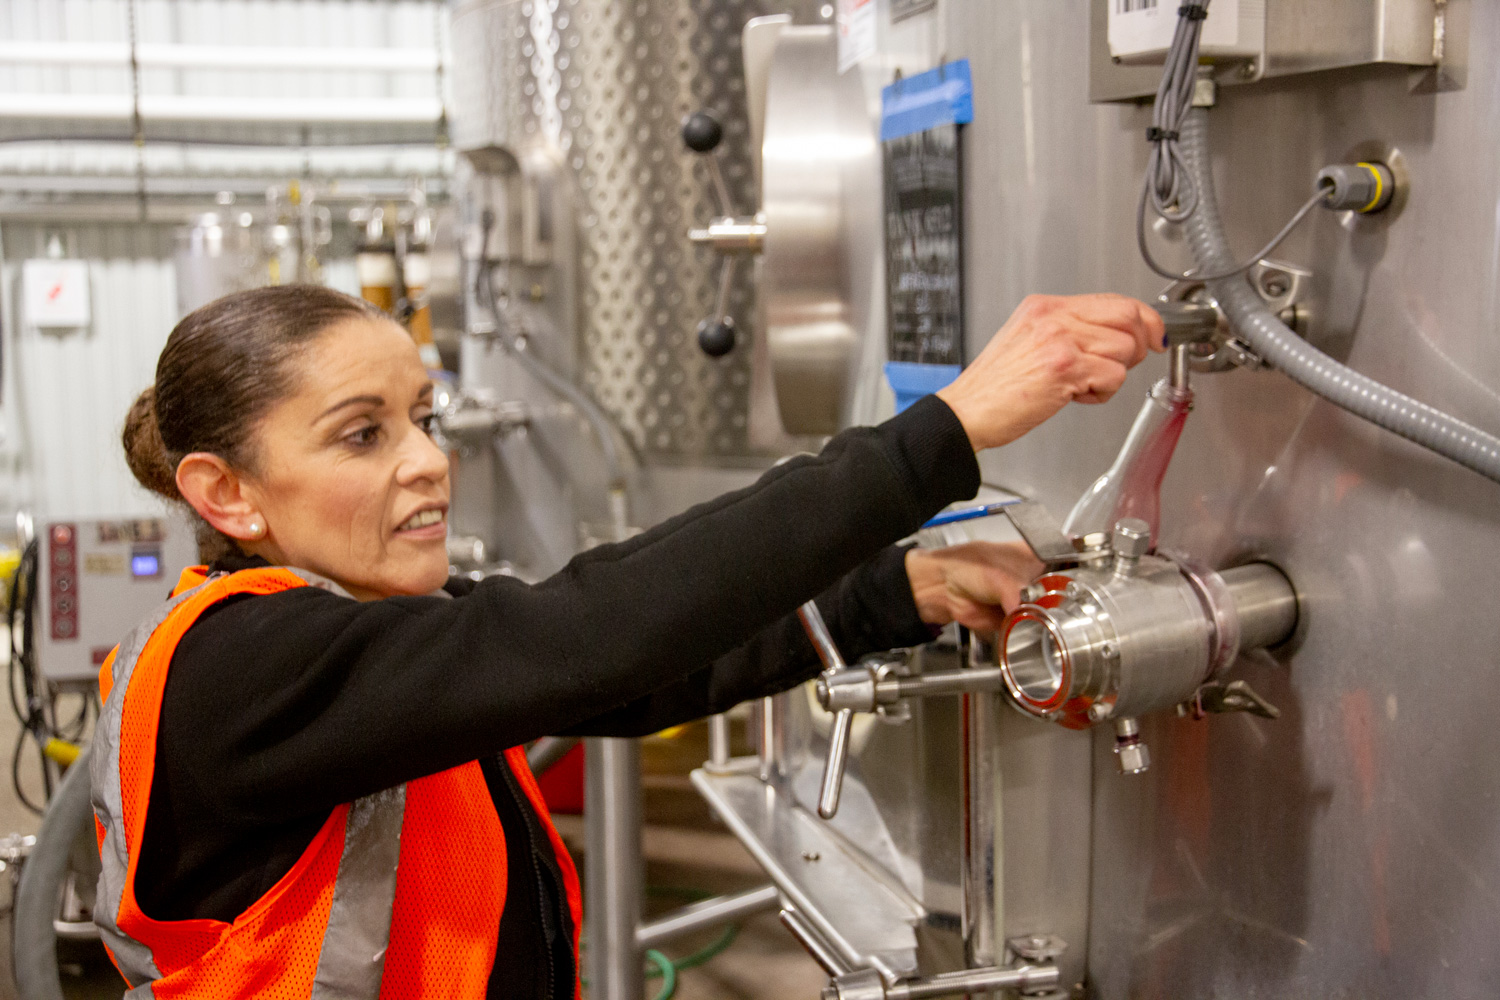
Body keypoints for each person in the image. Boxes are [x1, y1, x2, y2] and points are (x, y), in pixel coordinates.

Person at [93, 284, 1162, 999]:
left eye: (424, 416)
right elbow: (595, 629)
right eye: (363, 434)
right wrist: (947, 429)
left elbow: (638, 670)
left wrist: (898, 591)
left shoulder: (358, 631)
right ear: (225, 492)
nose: (427, 460)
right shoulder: (234, 669)